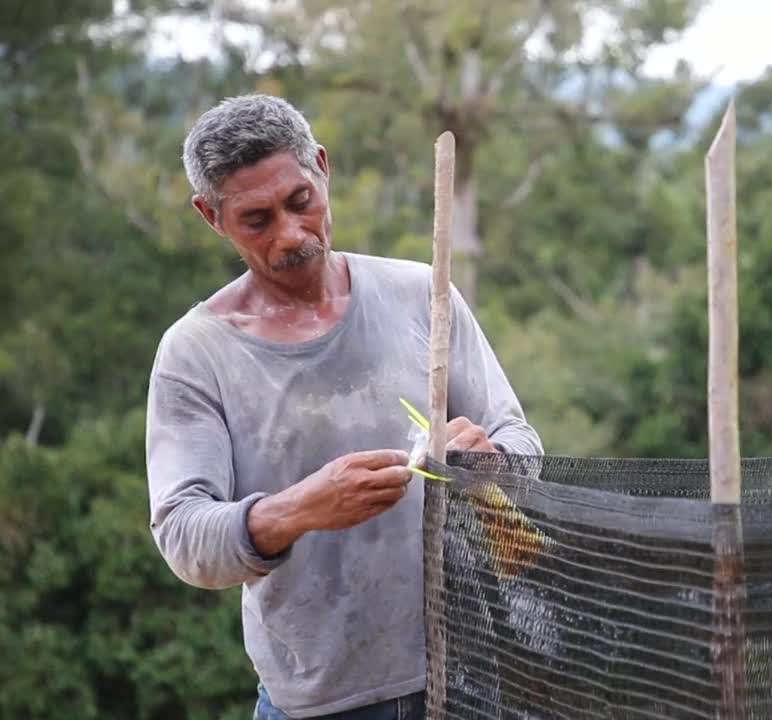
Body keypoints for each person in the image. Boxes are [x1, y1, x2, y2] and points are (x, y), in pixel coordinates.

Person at [144, 93, 542, 719]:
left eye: (301, 202)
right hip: (318, 702)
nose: (291, 235)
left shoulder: (422, 294)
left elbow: (519, 441)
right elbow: (185, 537)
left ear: (322, 168)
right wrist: (301, 509)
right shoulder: (196, 353)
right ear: (210, 216)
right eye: (256, 219)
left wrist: (490, 461)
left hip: (466, 679)